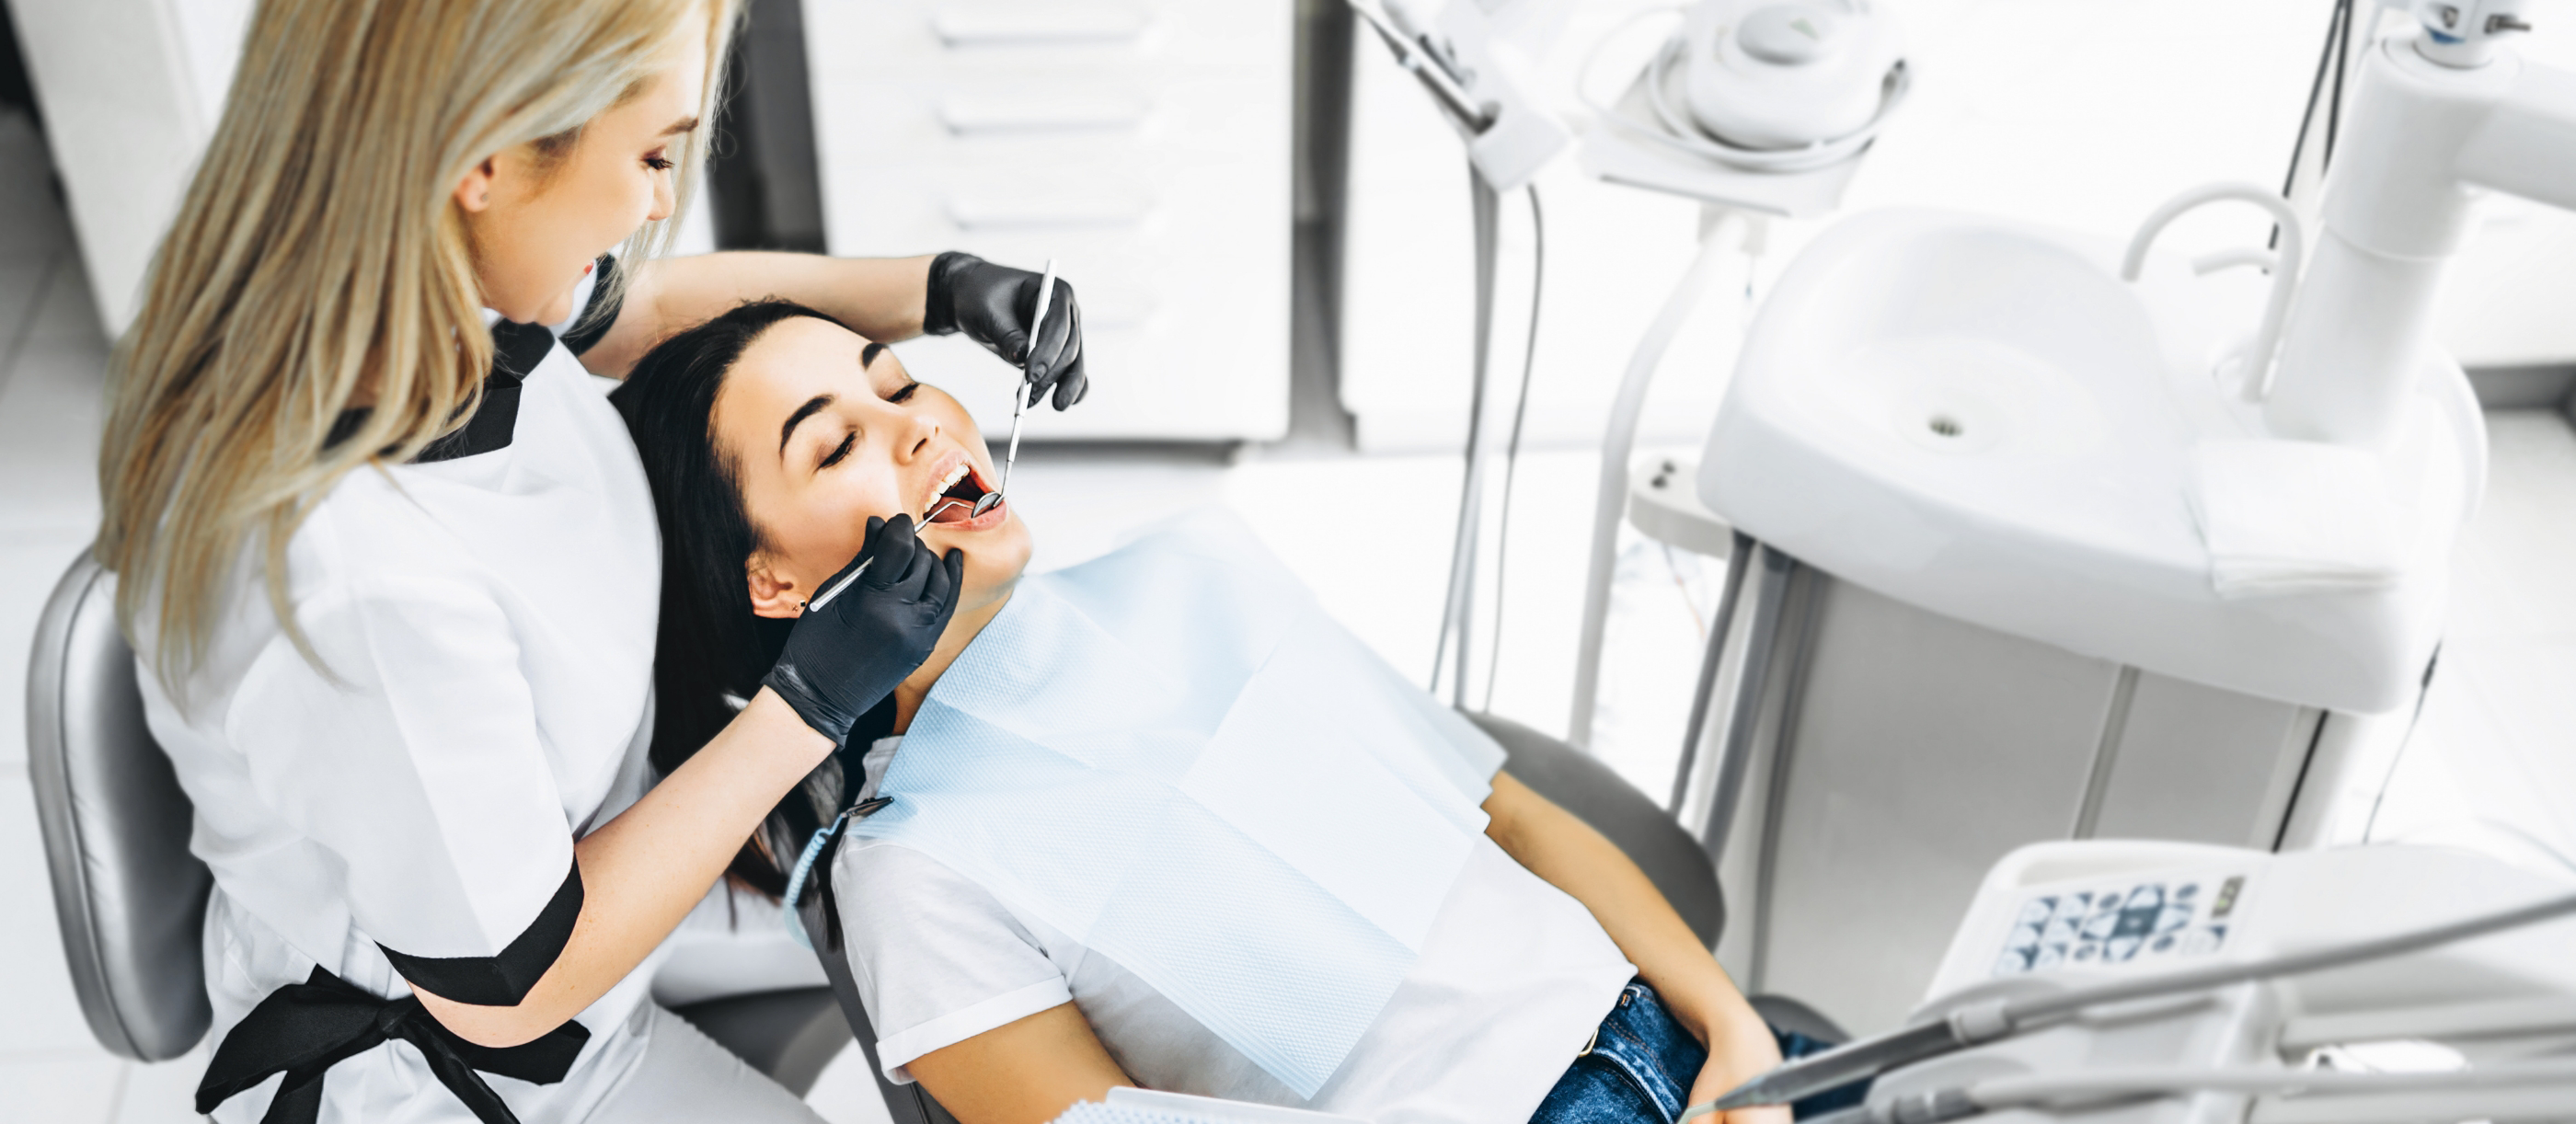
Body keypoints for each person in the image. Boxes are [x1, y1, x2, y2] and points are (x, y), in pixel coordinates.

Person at [93, 2, 1086, 1121]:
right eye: (652, 155)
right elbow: (508, 986)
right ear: (486, 161)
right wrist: (802, 704)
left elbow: (638, 311)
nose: (661, 199)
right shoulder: (365, 582)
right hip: (490, 1059)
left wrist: (937, 290)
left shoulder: (414, 286)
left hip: (604, 836)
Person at [614, 301, 1855, 1124]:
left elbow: (1514, 821)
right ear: (771, 581)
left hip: (1689, 1047)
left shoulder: (1197, 573)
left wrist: (1732, 1025)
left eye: (899, 383)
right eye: (836, 446)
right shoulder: (909, 871)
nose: (919, 424)